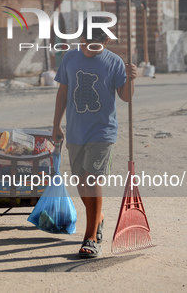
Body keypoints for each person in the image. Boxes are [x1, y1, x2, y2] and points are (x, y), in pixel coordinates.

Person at [52, 23, 137, 258]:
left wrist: (131, 79)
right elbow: (62, 93)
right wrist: (56, 124)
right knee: (81, 182)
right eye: (85, 42)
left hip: (102, 132)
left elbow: (126, 97)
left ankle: (90, 238)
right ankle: (98, 217)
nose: (88, 47)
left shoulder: (114, 62)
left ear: (105, 42)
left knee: (92, 179)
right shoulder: (70, 58)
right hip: (76, 131)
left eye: (95, 43)